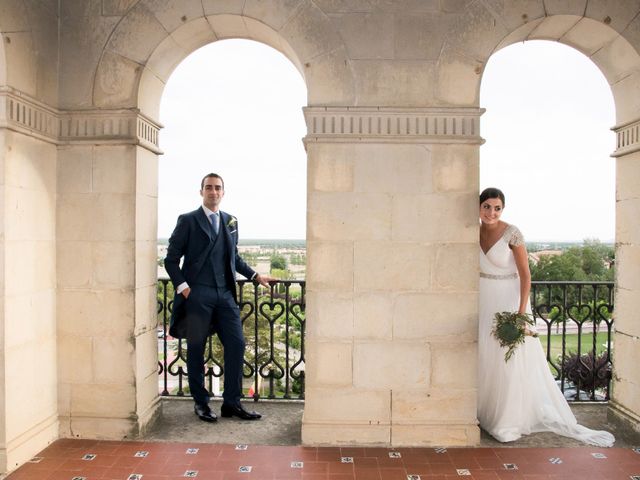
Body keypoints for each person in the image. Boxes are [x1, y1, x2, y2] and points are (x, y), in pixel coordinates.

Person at [477, 187, 614, 446]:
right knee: (485, 357)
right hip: (483, 298)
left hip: (508, 300)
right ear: (479, 207)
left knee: (508, 361)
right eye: (487, 206)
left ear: (502, 209)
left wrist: (520, 314)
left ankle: (506, 420)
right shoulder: (473, 230)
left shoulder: (512, 233)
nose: (491, 212)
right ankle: (483, 411)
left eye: (497, 207)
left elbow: (526, 276)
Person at [165, 173, 274, 422]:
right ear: (201, 191)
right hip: (197, 294)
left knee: (236, 344)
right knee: (196, 349)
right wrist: (184, 288)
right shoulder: (188, 220)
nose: (213, 192)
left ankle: (231, 403)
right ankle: (201, 403)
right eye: (209, 187)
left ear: (223, 192)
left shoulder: (230, 221)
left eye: (218, 188)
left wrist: (256, 276)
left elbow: (233, 258)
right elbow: (170, 260)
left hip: (225, 294)